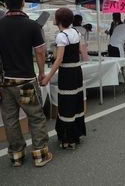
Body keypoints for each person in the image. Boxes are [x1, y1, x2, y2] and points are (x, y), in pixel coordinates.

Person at [0, 0, 52, 168]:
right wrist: (42, 72)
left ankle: (17, 156)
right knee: (35, 116)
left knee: (10, 119)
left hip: (4, 82)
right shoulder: (31, 25)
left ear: (5, 5)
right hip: (25, 82)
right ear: (23, 4)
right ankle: (40, 154)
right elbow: (40, 51)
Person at [40, 8, 86, 150]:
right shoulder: (76, 32)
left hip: (67, 73)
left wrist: (48, 77)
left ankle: (68, 139)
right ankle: (75, 136)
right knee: (75, 100)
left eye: (55, 17)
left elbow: (59, 59)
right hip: (77, 71)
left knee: (66, 103)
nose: (53, 19)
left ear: (59, 20)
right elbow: (83, 52)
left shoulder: (61, 36)